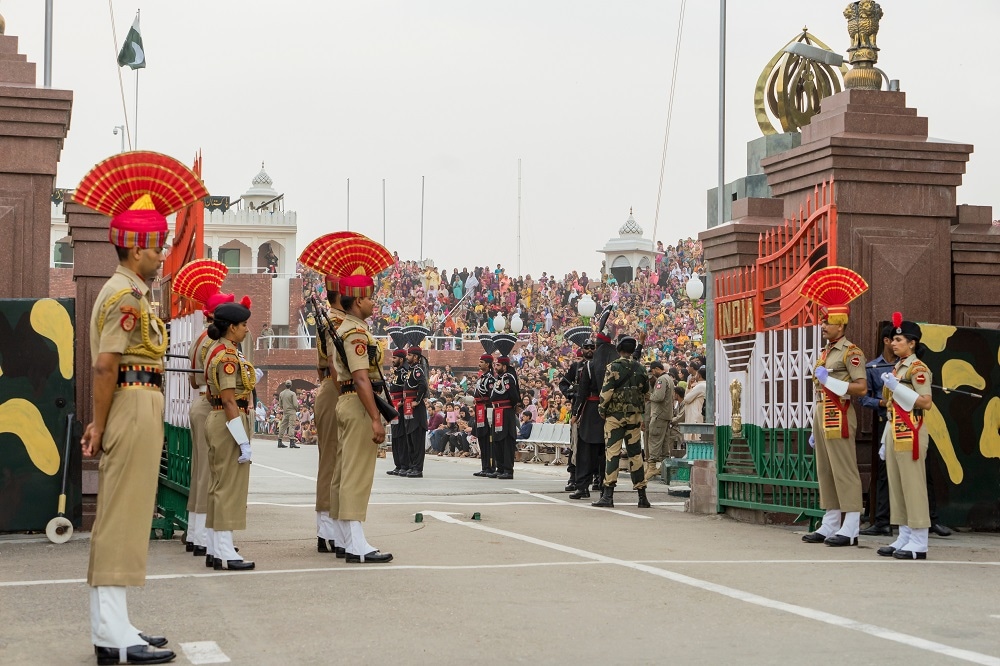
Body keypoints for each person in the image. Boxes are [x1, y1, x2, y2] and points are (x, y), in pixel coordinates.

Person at [77, 150, 207, 665]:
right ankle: (111, 632)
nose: (161, 255)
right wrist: (100, 423)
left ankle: (117, 622)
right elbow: (107, 366)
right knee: (119, 517)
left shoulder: (132, 292)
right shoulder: (125, 297)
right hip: (129, 405)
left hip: (137, 405)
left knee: (129, 517)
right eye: (156, 247)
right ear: (135, 249)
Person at [799, 267, 869, 547]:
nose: (823, 325)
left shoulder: (851, 353)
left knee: (844, 469)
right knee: (825, 470)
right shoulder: (827, 352)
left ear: (841, 324)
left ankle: (851, 525)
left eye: (827, 322)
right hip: (822, 414)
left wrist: (833, 384)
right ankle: (830, 522)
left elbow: (861, 388)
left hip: (839, 414)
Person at [171, 258, 233, 561]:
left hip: (199, 403)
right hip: (214, 405)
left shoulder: (198, 341)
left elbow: (195, 379)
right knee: (214, 474)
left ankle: (195, 532)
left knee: (200, 472)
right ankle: (209, 537)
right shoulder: (220, 345)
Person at [333, 268, 393, 563]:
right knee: (357, 474)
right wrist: (374, 417)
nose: (373, 303)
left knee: (345, 473)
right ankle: (356, 542)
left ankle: (346, 538)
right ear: (357, 301)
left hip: (348, 400)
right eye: (369, 298)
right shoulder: (355, 332)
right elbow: (360, 377)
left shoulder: (346, 328)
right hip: (358, 403)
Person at [203, 298, 257, 571]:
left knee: (217, 485)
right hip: (229, 420)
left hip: (220, 419)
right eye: (244, 325)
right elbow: (228, 400)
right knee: (228, 487)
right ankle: (224, 550)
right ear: (232, 327)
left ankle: (215, 546)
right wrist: (242, 440)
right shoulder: (226, 357)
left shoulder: (218, 351)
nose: (247, 329)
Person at [877, 312, 935, 560]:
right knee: (898, 486)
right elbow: (891, 407)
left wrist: (896, 387)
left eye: (899, 339)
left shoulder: (918, 369)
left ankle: (919, 540)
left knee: (913, 486)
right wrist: (883, 440)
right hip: (895, 429)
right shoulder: (898, 368)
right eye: (893, 339)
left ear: (912, 343)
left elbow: (925, 402)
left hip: (911, 430)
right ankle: (904, 534)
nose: (894, 343)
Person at [592, 336, 650, 508]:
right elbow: (647, 393)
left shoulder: (613, 367)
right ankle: (642, 496)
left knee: (613, 454)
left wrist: (602, 410)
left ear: (618, 350)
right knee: (636, 455)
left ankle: (608, 495)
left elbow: (606, 392)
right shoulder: (641, 368)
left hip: (615, 418)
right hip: (634, 417)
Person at [312, 271, 346, 555]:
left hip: (327, 388)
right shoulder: (336, 322)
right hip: (337, 390)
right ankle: (328, 530)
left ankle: (328, 528)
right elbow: (336, 366)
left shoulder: (328, 320)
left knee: (332, 460)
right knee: (333, 462)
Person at [859, 323, 898, 537]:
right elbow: (863, 398)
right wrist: (882, 404)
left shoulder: (907, 366)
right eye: (896, 340)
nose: (898, 344)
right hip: (886, 422)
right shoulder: (872, 367)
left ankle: (924, 522)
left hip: (910, 423)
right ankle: (882, 521)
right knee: (884, 474)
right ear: (886, 340)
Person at [490, 334, 521, 479]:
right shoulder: (500, 378)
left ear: (504, 366)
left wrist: (515, 406)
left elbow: (514, 395)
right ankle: (500, 467)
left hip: (506, 411)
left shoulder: (508, 377)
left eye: (498, 365)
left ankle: (508, 470)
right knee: (498, 441)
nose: (495, 367)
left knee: (506, 441)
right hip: (497, 411)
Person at [643, 360, 675, 485]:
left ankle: (652, 467)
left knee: (655, 440)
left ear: (656, 369)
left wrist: (648, 396)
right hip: (666, 415)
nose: (652, 374)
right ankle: (663, 467)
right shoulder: (669, 378)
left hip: (659, 415)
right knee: (664, 443)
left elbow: (658, 397)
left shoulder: (661, 380)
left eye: (653, 371)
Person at [403, 335, 430, 477]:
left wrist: (417, 400)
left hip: (416, 409)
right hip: (408, 408)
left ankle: (418, 468)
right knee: (411, 440)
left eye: (410, 355)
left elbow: (423, 385)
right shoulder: (410, 370)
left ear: (416, 357)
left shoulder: (417, 369)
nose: (408, 357)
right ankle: (413, 465)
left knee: (417, 440)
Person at [386, 340, 410, 476]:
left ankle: (404, 464)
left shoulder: (405, 372)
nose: (392, 360)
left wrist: (401, 402)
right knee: (395, 435)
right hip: (393, 406)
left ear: (401, 359)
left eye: (394, 358)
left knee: (401, 436)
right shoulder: (397, 372)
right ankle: (398, 464)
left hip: (400, 407)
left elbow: (407, 389)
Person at [472, 344, 497, 478]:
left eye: (482, 362)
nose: (479, 364)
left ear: (488, 364)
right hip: (479, 410)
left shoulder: (491, 379)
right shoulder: (482, 378)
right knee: (482, 439)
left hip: (487, 411)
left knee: (489, 440)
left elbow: (490, 396)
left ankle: (491, 466)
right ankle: (484, 466)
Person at [681, 366, 706, 439]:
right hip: (696, 414)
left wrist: (688, 388)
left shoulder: (700, 386)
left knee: (694, 438)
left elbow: (687, 399)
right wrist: (689, 386)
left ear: (699, 375)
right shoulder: (701, 385)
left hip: (695, 415)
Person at [277, 380, 300, 448]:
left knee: (283, 425)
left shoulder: (281, 393)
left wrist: (284, 407)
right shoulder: (292, 393)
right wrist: (296, 409)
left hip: (285, 411)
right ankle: (292, 442)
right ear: (291, 385)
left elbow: (280, 404)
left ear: (285, 385)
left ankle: (280, 441)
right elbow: (295, 404)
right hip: (292, 411)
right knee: (291, 425)